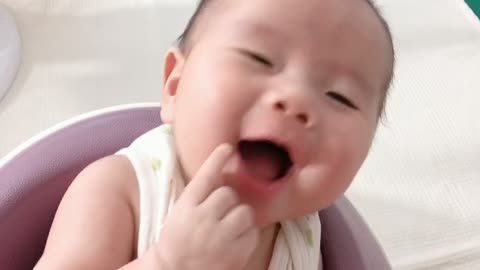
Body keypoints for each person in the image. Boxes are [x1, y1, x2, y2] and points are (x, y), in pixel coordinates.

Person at [34, 0, 395, 269]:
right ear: (175, 84)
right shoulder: (122, 190)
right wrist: (168, 263)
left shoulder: (303, 237)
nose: (297, 101)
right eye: (260, 58)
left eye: (340, 97)